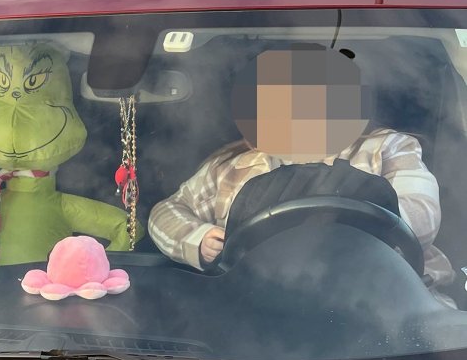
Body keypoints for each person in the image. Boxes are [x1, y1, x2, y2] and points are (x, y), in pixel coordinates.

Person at [148, 44, 455, 295]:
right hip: (263, 308)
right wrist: (197, 238)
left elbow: (422, 215)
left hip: (392, 300)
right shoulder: (230, 168)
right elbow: (165, 213)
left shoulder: (387, 148)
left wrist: (334, 232)